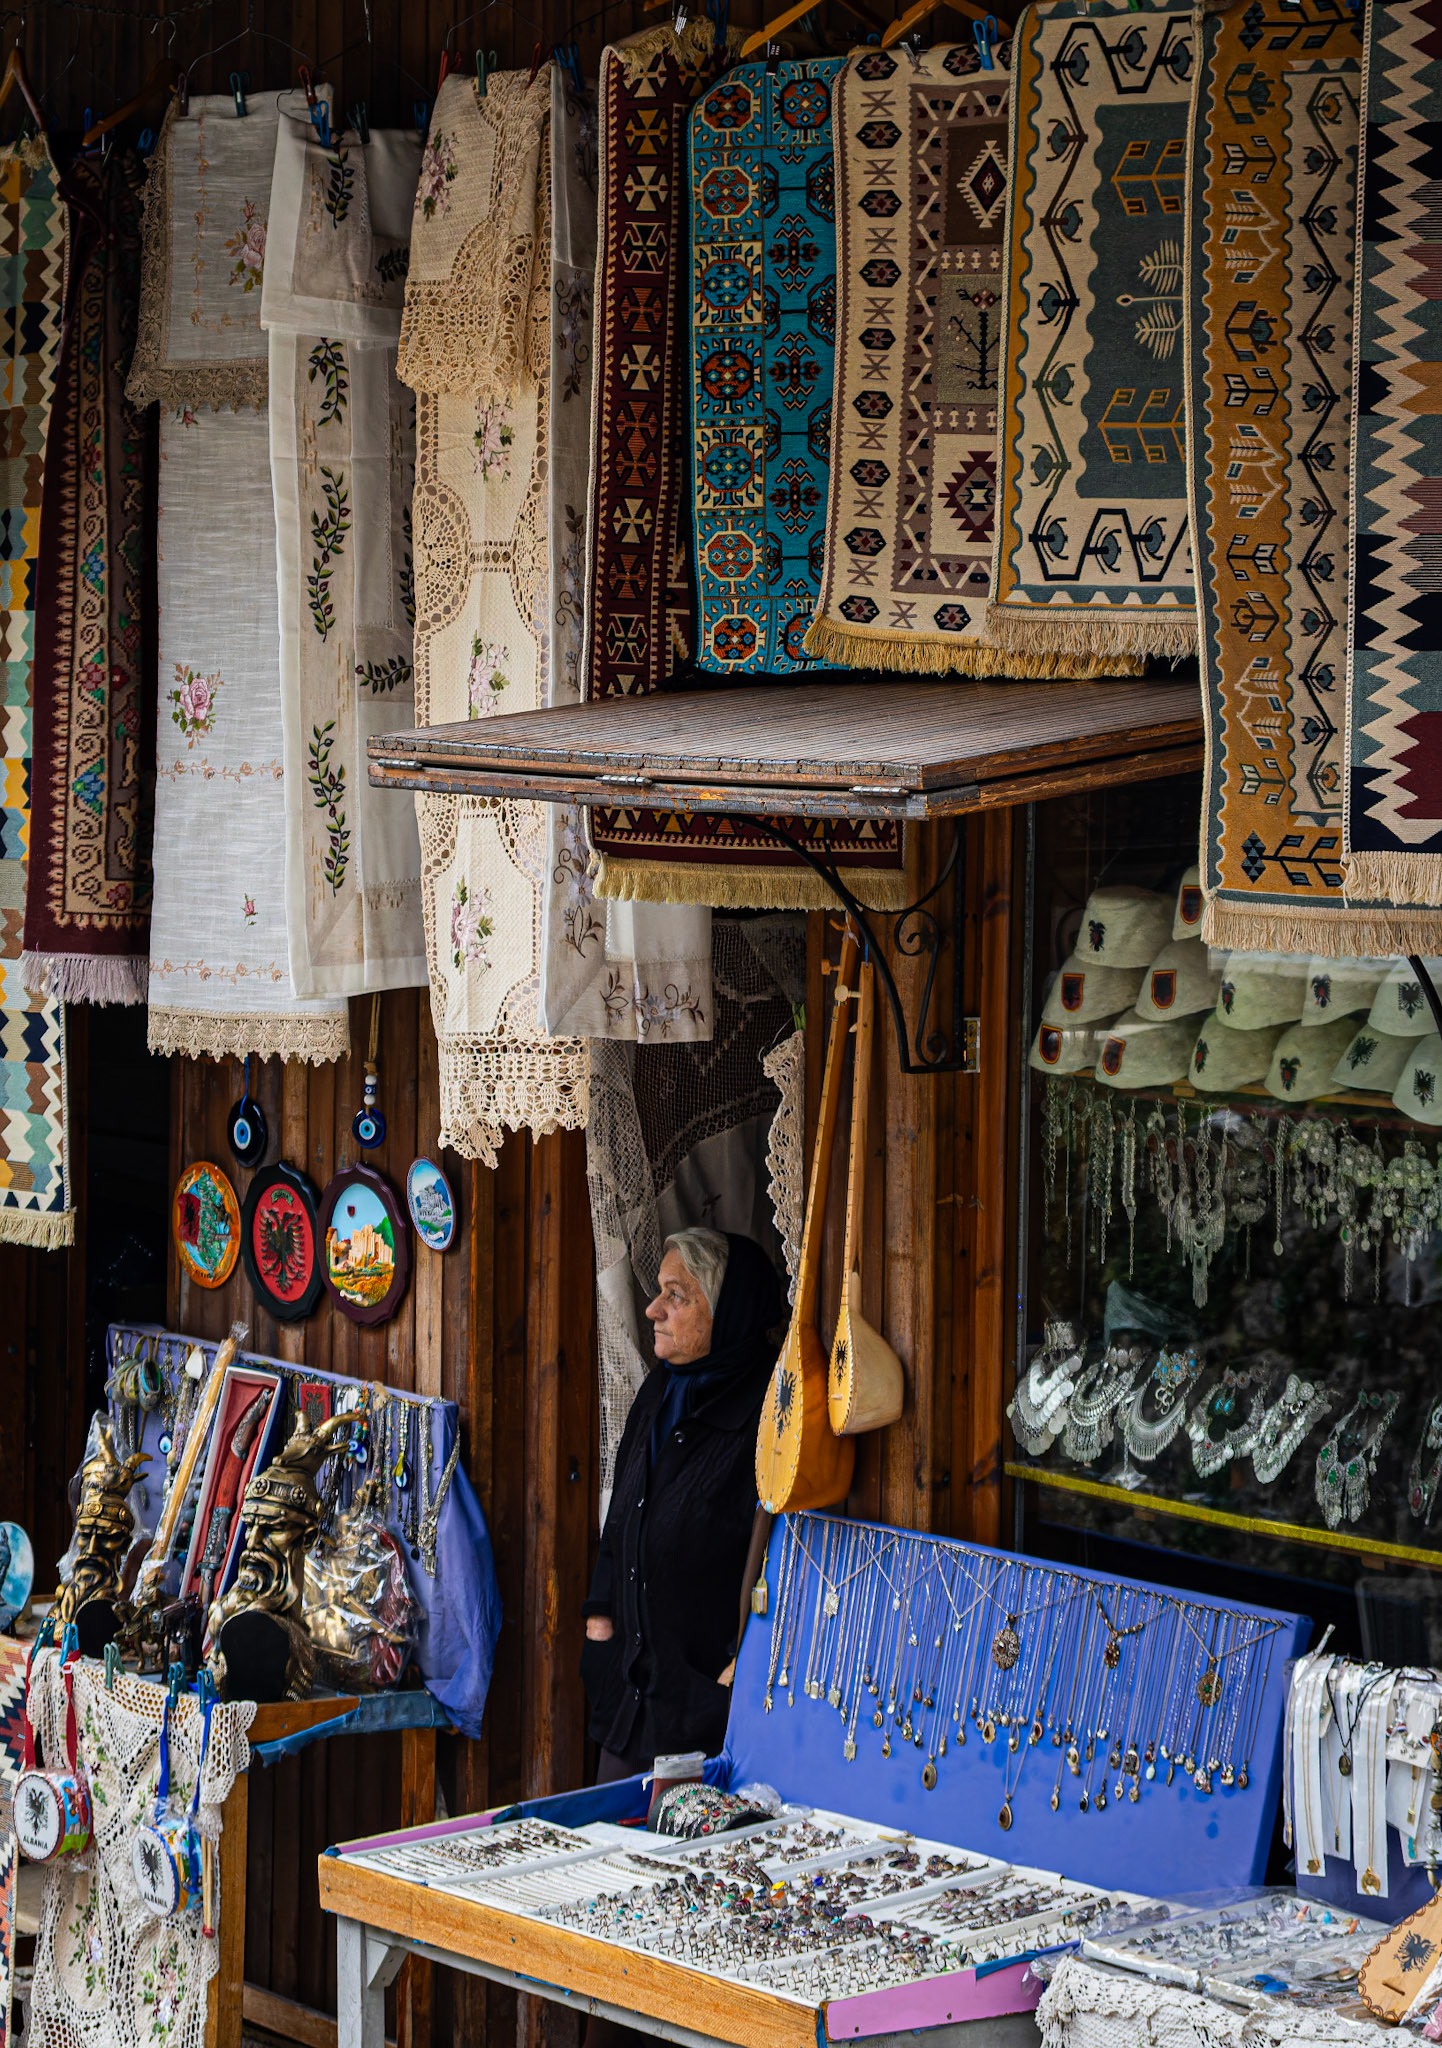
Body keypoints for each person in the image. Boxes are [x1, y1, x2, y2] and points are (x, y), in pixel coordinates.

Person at [581, 1227, 784, 1781]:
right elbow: (620, 1520)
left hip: (707, 1714)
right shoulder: (660, 1392)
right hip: (629, 1699)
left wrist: (738, 1669)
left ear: (727, 1311)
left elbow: (790, 1554)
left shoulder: (768, 1413)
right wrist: (600, 1628)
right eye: (659, 1292)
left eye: (677, 1295)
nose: (653, 1310)